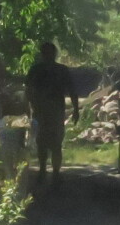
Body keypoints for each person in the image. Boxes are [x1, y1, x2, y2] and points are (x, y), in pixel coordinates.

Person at [25, 42, 79, 184]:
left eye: (50, 52)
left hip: (54, 111)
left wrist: (76, 109)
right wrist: (28, 107)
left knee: (55, 143)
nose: (48, 55)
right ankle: (44, 170)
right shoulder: (36, 70)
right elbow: (28, 90)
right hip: (42, 111)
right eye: (46, 52)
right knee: (42, 142)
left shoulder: (60, 70)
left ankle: (55, 172)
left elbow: (72, 91)